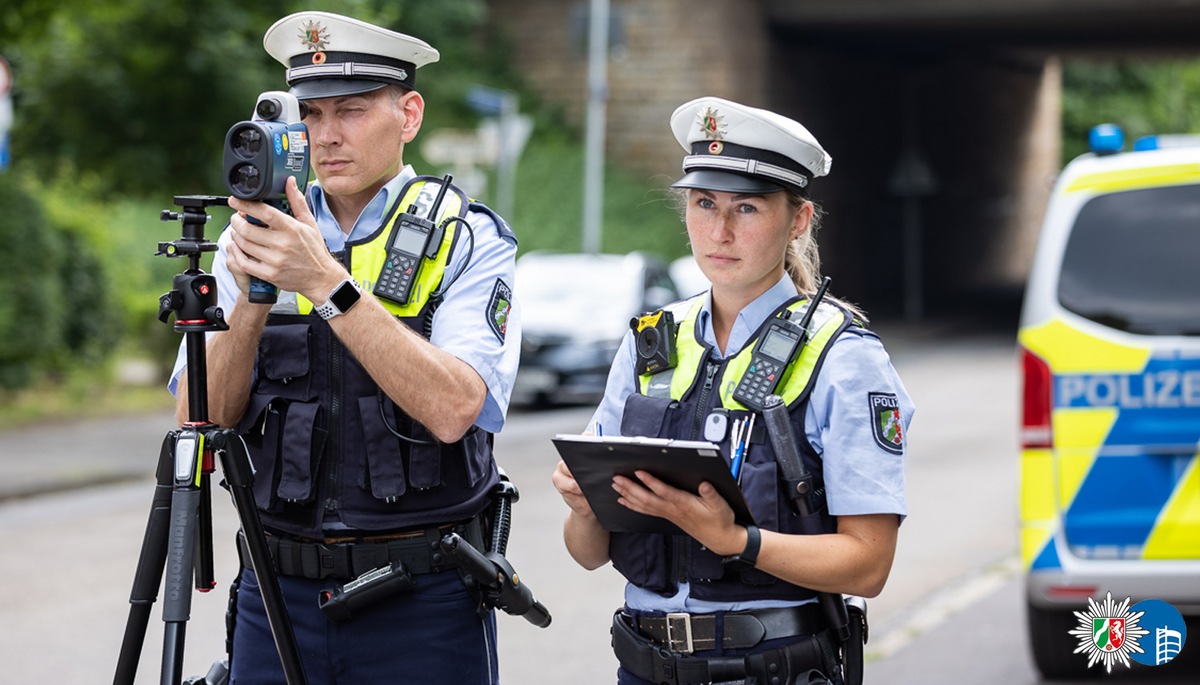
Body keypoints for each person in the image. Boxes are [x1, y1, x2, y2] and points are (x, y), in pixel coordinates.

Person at [169, 10, 520, 685]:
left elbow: (455, 408)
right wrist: (253, 296)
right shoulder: (251, 233)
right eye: (311, 114)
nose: (326, 135)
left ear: (408, 113)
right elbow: (197, 415)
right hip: (275, 594)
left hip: (423, 603)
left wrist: (326, 282)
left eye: (351, 111)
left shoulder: (467, 237)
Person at [552, 96, 912, 685]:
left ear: (798, 220)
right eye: (704, 204)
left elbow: (868, 564)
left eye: (746, 207)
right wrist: (584, 506)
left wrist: (735, 540)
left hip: (768, 669)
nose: (719, 231)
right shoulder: (651, 342)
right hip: (642, 667)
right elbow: (588, 552)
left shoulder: (844, 357)